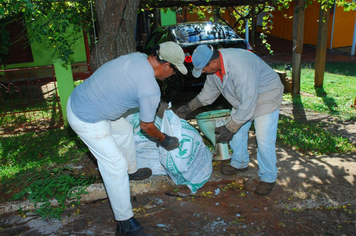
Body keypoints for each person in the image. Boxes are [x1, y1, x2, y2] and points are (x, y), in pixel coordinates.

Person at [67, 41, 187, 236]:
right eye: (174, 71)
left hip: (87, 99)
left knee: (123, 129)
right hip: (86, 116)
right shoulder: (150, 89)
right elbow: (147, 126)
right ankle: (125, 223)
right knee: (115, 165)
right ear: (166, 66)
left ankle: (130, 172)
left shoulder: (138, 57)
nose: (172, 75)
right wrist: (165, 139)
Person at [176, 45, 284, 196]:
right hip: (244, 98)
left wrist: (230, 128)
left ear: (212, 63)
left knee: (263, 137)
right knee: (237, 133)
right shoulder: (214, 69)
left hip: (266, 95)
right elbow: (208, 93)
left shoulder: (240, 67)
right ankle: (239, 162)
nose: (202, 72)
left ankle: (268, 177)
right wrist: (189, 107)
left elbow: (248, 103)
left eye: (203, 69)